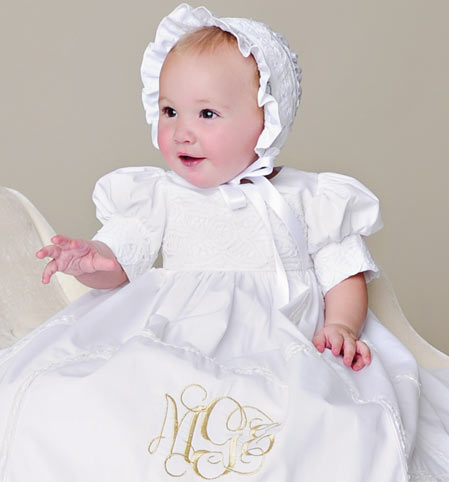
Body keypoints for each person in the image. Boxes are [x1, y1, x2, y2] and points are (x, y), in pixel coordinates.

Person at [0, 4, 448, 481]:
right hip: (178, 333)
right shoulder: (160, 195)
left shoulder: (307, 197)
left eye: (207, 113)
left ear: (267, 120)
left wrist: (342, 325)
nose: (181, 131)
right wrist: (95, 259)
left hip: (284, 340)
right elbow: (123, 259)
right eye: (170, 111)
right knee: (108, 393)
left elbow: (344, 272)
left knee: (322, 422)